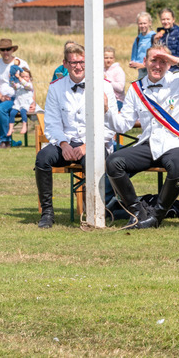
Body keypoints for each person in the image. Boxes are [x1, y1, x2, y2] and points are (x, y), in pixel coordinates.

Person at [105, 45, 179, 229]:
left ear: (169, 64)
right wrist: (107, 110)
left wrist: (178, 60)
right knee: (114, 161)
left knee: (177, 164)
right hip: (150, 144)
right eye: (154, 60)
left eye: (163, 61)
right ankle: (138, 212)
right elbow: (123, 125)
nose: (157, 65)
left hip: (177, 144)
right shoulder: (136, 88)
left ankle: (157, 216)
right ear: (145, 62)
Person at [34, 44, 118, 229]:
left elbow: (111, 125)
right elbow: (52, 123)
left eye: (82, 62)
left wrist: (88, 146)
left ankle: (95, 211)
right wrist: (63, 144)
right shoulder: (56, 88)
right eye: (73, 62)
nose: (78, 67)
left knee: (92, 161)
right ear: (65, 64)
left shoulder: (104, 86)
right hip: (66, 143)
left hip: (94, 144)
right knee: (42, 158)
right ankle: (47, 213)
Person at [7, 69, 36, 142]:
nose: (24, 78)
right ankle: (11, 128)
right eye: (22, 77)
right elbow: (13, 86)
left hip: (25, 103)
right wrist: (11, 79)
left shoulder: (29, 85)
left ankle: (24, 126)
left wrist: (19, 78)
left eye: (26, 77)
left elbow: (25, 85)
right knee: (12, 113)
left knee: (23, 112)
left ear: (29, 78)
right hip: (18, 103)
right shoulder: (19, 84)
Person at [129, 12, 155, 81]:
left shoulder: (154, 37)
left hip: (152, 71)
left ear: (150, 23)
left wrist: (143, 65)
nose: (142, 26)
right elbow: (134, 56)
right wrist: (133, 64)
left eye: (145, 23)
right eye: (140, 23)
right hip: (141, 72)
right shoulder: (138, 39)